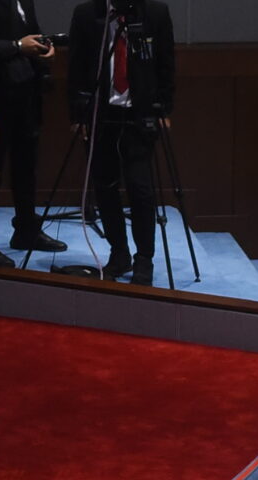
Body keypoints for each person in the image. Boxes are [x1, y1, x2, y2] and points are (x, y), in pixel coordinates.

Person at [68, 0, 177, 285]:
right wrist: (78, 114)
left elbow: (167, 62)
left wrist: (163, 109)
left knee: (140, 188)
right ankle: (119, 253)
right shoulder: (86, 14)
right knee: (105, 186)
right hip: (101, 116)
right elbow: (76, 66)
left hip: (139, 115)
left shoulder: (154, 12)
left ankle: (144, 258)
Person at [0, 0, 65, 257]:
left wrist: (43, 48)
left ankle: (27, 229)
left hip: (26, 90)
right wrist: (18, 46)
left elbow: (29, 35)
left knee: (26, 164)